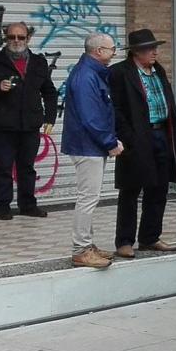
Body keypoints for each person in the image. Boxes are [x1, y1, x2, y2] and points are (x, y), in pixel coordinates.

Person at [109, 29, 176, 257]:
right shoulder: (120, 73)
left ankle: (150, 237)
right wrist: (128, 137)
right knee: (130, 190)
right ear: (135, 52)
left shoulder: (158, 70)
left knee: (159, 188)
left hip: (161, 133)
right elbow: (115, 109)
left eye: (155, 47)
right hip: (136, 137)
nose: (154, 52)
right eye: (148, 48)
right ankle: (124, 240)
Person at [0, 21, 59, 221]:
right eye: (12, 37)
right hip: (3, 125)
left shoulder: (38, 62)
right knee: (3, 167)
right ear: (6, 38)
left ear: (28, 39)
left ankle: (28, 205)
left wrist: (50, 118)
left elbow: (49, 92)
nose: (16, 41)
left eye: (21, 37)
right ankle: (2, 207)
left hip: (30, 125)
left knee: (27, 167)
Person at [61, 33, 123, 266]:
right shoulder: (86, 76)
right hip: (87, 146)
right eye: (111, 49)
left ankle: (87, 245)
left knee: (90, 196)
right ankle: (80, 249)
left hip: (90, 145)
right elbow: (91, 117)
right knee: (88, 198)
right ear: (98, 51)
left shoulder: (91, 72)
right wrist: (110, 142)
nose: (114, 52)